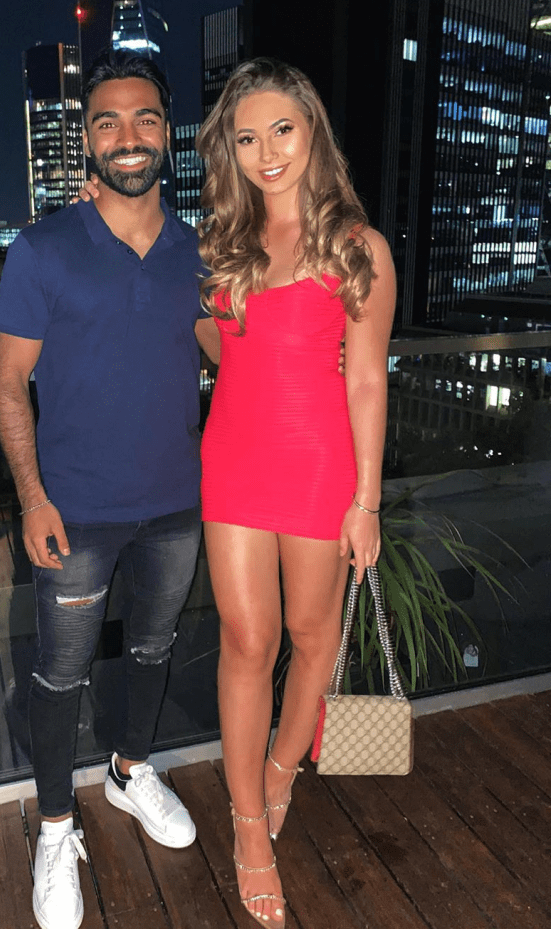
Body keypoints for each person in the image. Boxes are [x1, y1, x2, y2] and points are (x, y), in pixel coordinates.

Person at [0, 50, 218, 929]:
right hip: (75, 509)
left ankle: (129, 770)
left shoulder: (196, 249)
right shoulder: (43, 248)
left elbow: (225, 351)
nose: (128, 137)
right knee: (60, 673)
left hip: (174, 502)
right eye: (107, 122)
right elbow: (10, 386)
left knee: (154, 652)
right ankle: (54, 827)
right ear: (84, 141)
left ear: (169, 135)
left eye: (145, 119)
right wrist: (32, 496)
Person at [196, 59, 396, 929]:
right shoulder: (220, 241)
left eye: (281, 129)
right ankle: (247, 828)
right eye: (246, 138)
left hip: (319, 464)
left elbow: (365, 383)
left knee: (312, 637)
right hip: (233, 457)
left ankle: (282, 765)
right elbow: (214, 342)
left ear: (311, 130)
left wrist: (366, 502)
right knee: (248, 638)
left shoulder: (357, 246)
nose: (265, 151)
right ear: (228, 151)